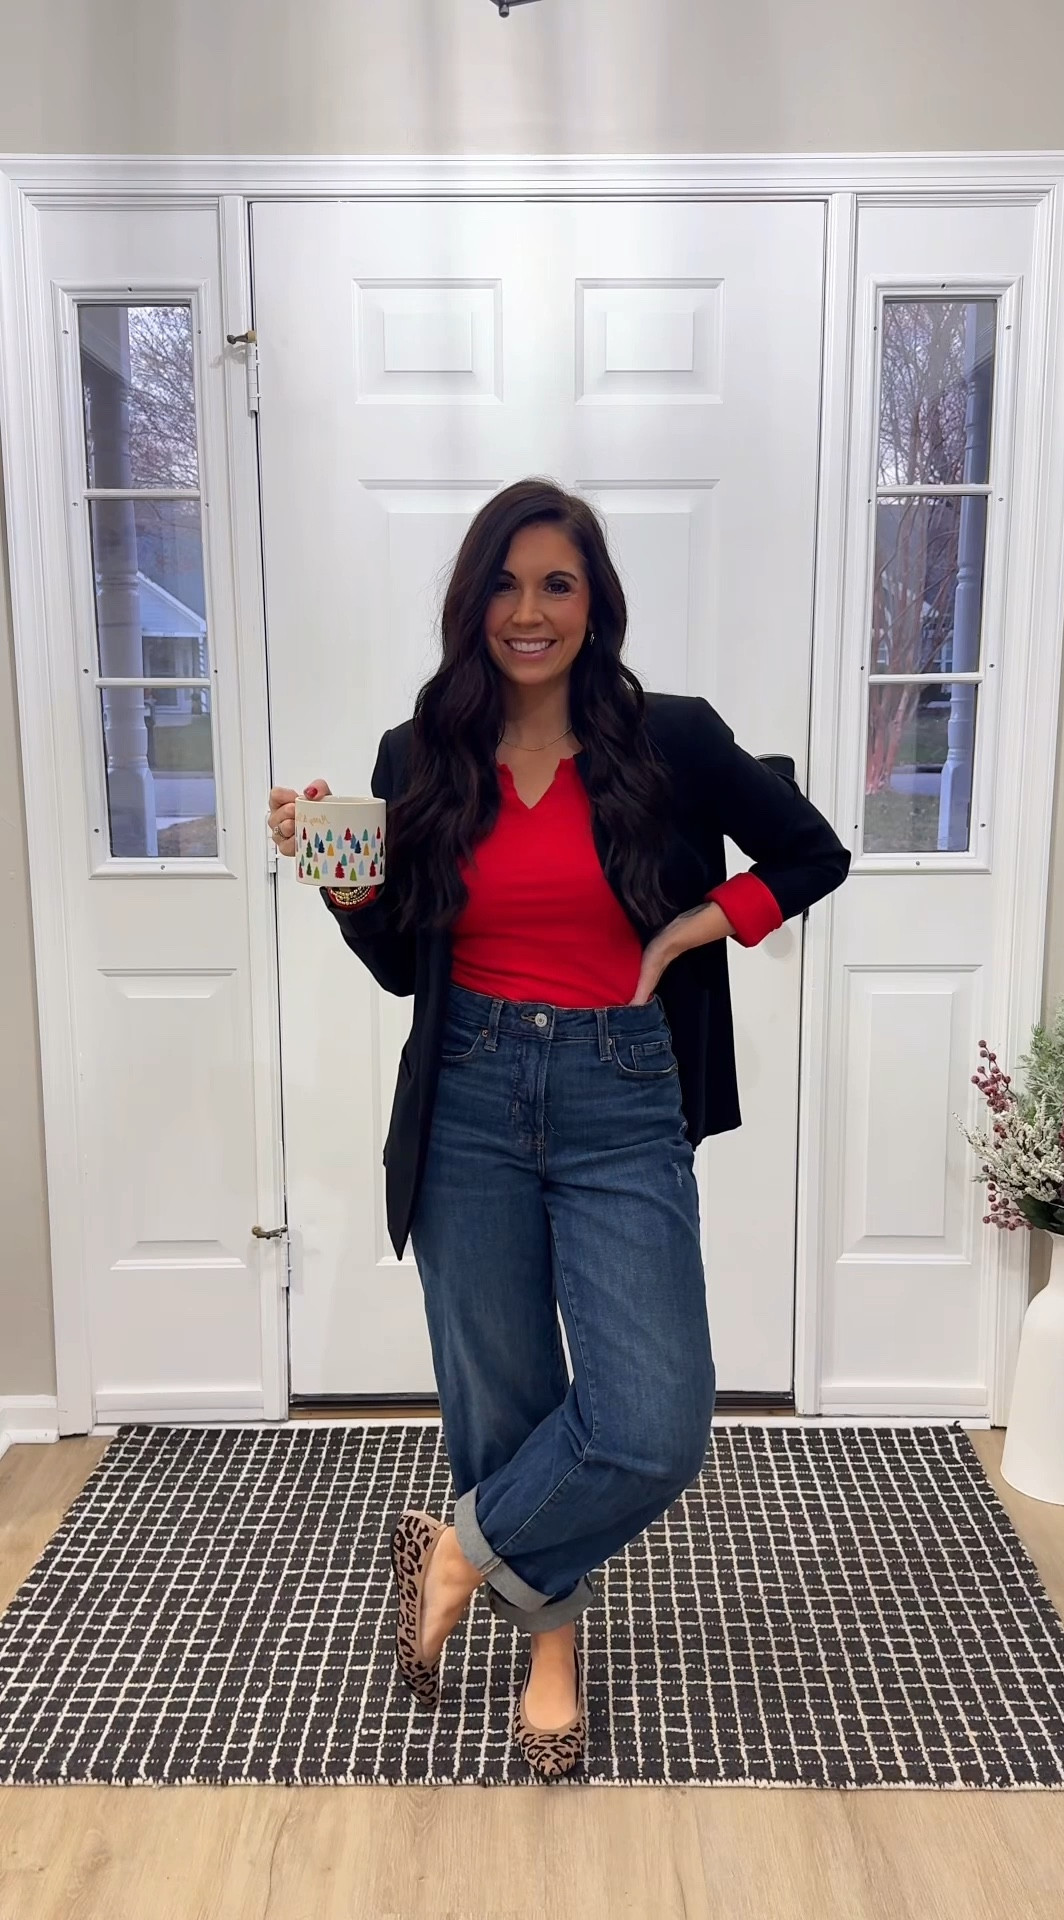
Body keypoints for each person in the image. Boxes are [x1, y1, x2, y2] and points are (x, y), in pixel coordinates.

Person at [267, 479, 849, 1779]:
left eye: (558, 585)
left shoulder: (674, 739)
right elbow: (399, 966)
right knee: (510, 1397)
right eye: (506, 585)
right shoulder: (418, 754)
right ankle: (552, 1657)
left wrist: (706, 923)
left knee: (654, 1418)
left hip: (622, 1087)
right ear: (472, 603)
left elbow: (810, 854)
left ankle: (459, 1550)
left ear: (596, 603)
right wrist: (341, 882)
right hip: (467, 1087)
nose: (529, 613)